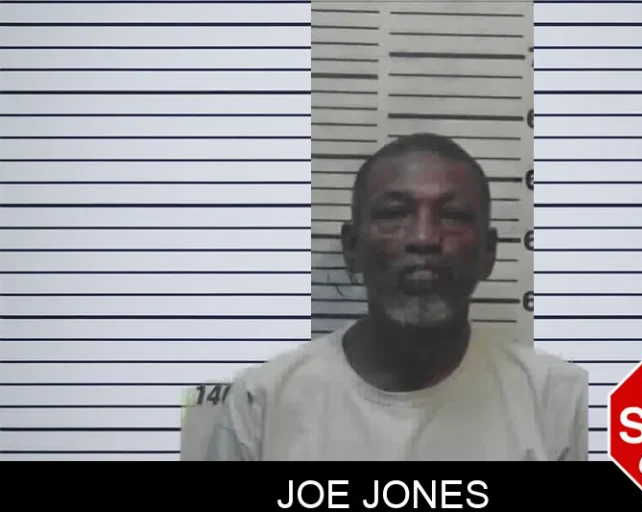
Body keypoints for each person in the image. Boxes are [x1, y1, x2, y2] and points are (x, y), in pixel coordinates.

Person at [200, 133, 589, 461]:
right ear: (352, 247)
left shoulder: (562, 406)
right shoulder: (261, 406)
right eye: (394, 213)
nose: (424, 238)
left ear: (488, 253)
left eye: (453, 215)